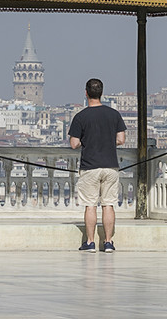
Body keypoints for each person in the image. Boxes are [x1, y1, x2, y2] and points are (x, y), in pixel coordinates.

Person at [69, 78, 127, 253]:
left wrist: (88, 141)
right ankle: (108, 242)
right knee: (108, 204)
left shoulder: (80, 117)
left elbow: (74, 144)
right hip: (110, 165)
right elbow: (121, 140)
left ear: (86, 93)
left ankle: (90, 242)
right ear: (102, 93)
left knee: (90, 205)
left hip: (90, 166)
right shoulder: (114, 114)